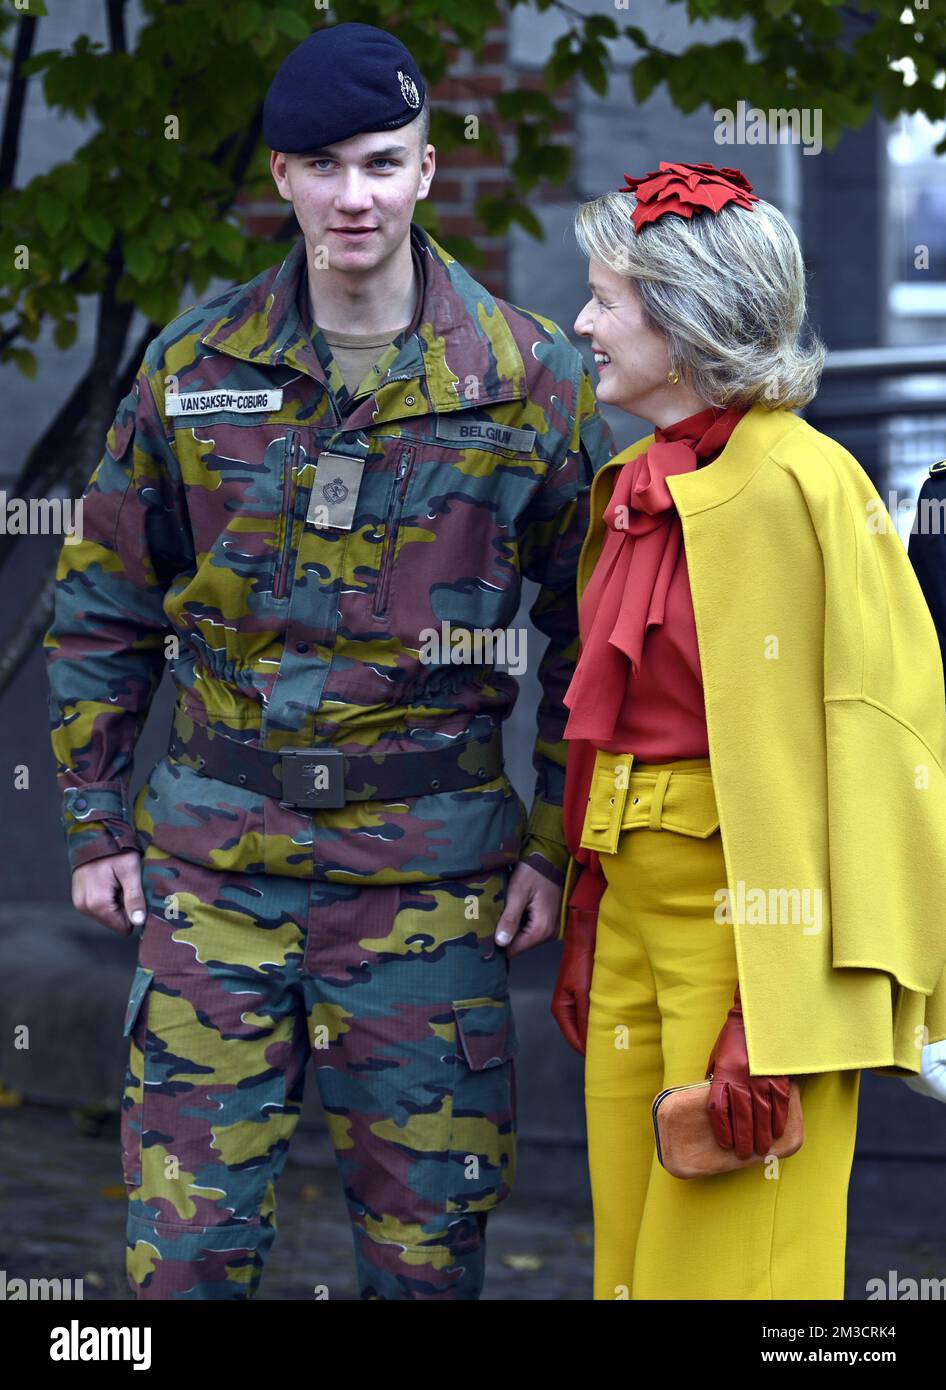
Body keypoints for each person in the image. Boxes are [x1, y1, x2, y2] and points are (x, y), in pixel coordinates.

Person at [43, 22, 613, 1301]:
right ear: (284, 178)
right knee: (181, 1261)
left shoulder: (531, 380)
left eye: (382, 162)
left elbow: (594, 634)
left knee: (423, 1263)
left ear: (422, 171)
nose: (353, 194)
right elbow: (103, 606)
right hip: (214, 875)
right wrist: (93, 824)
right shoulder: (194, 369)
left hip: (432, 886)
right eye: (323, 165)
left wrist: (548, 845)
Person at [550, 160, 946, 1300]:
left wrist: (776, 1019)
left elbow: (879, 759)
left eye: (607, 300)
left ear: (685, 319)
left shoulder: (807, 486)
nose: (581, 322)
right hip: (632, 914)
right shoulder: (628, 481)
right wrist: (587, 923)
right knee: (632, 1266)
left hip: (756, 949)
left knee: (732, 1277)